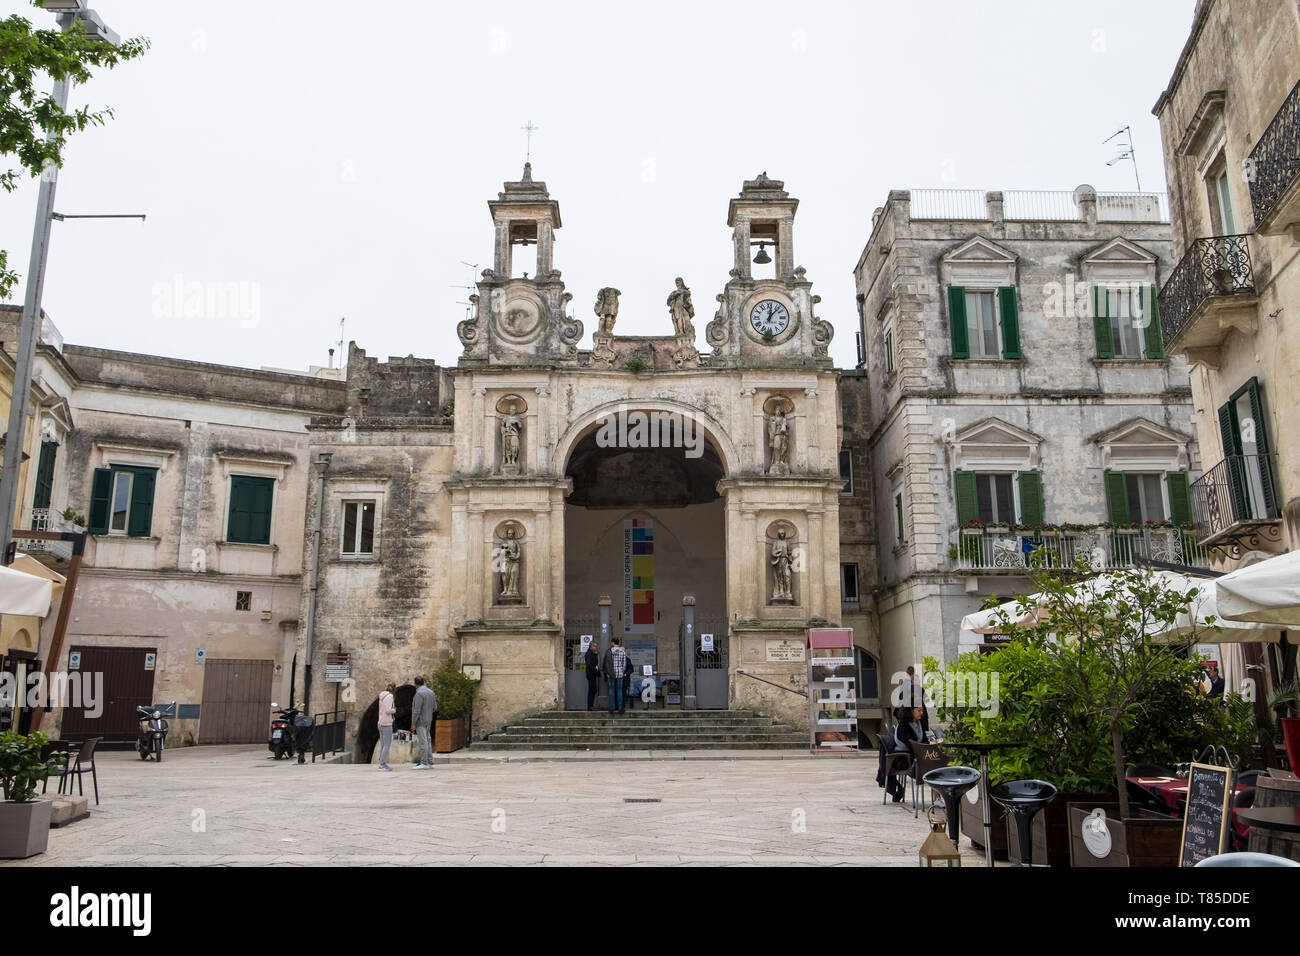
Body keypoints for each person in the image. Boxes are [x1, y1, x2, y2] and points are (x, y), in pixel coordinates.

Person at [410, 675, 437, 769]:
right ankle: (430, 762)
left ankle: (424, 762)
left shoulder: (419, 694)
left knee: (423, 742)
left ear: (415, 684)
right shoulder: (431, 692)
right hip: (429, 720)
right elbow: (435, 708)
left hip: (420, 721)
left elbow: (416, 710)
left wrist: (413, 723)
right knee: (428, 740)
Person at [602, 638, 627, 714]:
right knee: (619, 690)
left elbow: (606, 663)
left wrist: (607, 672)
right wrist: (621, 671)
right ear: (618, 643)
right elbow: (624, 665)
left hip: (611, 674)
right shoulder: (622, 652)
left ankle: (612, 708)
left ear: (612, 643)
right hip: (620, 674)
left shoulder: (609, 651)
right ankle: (620, 708)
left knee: (611, 690)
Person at [377, 682, 397, 771]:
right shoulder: (390, 697)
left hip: (380, 722)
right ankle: (382, 765)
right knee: (387, 745)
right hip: (386, 723)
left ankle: (382, 763)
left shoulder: (382, 696)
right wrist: (394, 710)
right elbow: (388, 710)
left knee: (383, 745)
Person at [584, 641, 601, 711]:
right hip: (591, 674)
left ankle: (591, 705)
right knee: (592, 690)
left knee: (593, 690)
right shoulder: (589, 654)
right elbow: (589, 665)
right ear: (591, 647)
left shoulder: (592, 653)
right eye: (595, 646)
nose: (596, 648)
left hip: (592, 674)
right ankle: (590, 706)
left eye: (596, 646)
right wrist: (595, 669)